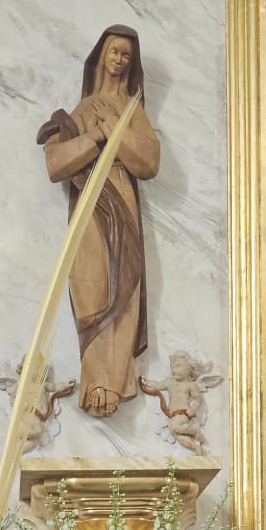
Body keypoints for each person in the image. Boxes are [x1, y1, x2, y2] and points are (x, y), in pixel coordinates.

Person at [38, 25, 161, 416]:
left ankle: (116, 379)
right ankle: (95, 377)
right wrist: (95, 137)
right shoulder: (81, 110)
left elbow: (149, 163)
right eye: (114, 51)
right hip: (90, 207)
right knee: (90, 286)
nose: (120, 59)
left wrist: (115, 131)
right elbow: (56, 164)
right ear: (101, 55)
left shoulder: (132, 111)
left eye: (127, 54)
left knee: (122, 284)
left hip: (121, 203)